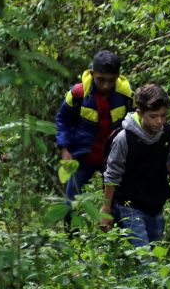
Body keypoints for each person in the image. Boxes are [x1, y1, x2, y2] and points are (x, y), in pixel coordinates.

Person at [99, 84, 170, 247]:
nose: (159, 121)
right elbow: (112, 175)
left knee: (155, 253)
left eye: (163, 115)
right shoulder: (124, 139)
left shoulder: (167, 133)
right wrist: (106, 210)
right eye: (153, 116)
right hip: (129, 205)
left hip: (155, 204)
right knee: (144, 259)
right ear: (140, 113)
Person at [55, 50, 134, 202]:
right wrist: (65, 149)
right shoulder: (78, 94)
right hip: (83, 156)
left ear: (118, 77)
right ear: (92, 73)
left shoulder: (127, 96)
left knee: (117, 204)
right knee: (71, 202)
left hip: (114, 158)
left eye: (111, 80)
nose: (106, 85)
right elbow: (63, 119)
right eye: (101, 79)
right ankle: (71, 227)